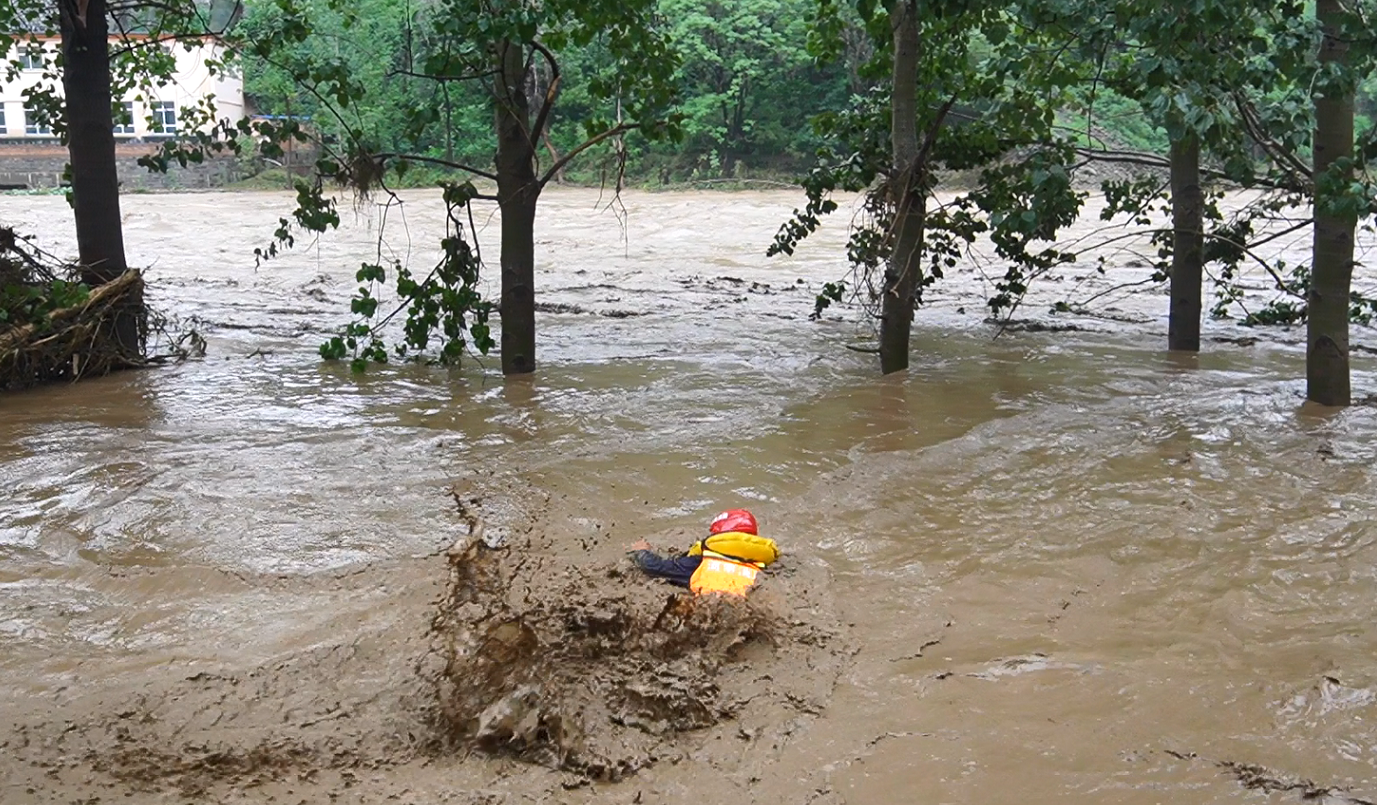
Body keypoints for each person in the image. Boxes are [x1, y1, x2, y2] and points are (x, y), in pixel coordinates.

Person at [628, 508, 772, 597]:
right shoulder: (761, 567)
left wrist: (641, 550)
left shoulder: (701, 561)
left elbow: (653, 567)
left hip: (710, 614)